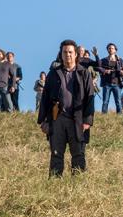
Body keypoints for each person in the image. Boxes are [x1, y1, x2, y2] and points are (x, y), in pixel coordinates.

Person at [38, 39, 95, 177]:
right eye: (65, 52)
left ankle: (78, 182)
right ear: (61, 54)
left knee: (78, 154)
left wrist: (87, 121)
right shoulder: (53, 74)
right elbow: (45, 98)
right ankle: (55, 182)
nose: (67, 55)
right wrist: (43, 121)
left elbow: (90, 98)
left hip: (77, 120)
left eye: (70, 52)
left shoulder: (84, 73)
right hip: (57, 119)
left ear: (76, 54)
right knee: (56, 153)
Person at [99, 43, 123, 114]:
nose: (111, 49)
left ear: (115, 50)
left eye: (112, 48)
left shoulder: (120, 60)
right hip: (106, 83)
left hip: (117, 83)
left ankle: (120, 115)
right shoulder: (103, 60)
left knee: (118, 101)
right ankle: (104, 115)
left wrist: (122, 72)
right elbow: (99, 68)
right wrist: (105, 71)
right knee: (105, 101)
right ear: (107, 50)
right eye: (109, 48)